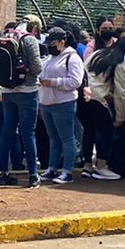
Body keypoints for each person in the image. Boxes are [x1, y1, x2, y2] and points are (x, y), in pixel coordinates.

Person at [0, 18, 43, 187]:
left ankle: (3, 173)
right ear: (34, 27)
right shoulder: (29, 39)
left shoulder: (5, 37)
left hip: (7, 90)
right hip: (27, 91)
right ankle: (33, 175)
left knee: (7, 131)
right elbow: (37, 68)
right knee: (28, 133)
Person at [38, 26, 86, 183]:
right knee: (53, 137)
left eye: (53, 43)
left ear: (62, 42)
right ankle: (52, 168)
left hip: (63, 103)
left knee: (67, 138)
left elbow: (75, 81)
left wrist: (52, 82)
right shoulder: (51, 58)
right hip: (47, 103)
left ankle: (67, 171)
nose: (50, 46)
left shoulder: (72, 58)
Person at [81, 28, 125, 179]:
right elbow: (120, 93)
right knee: (106, 132)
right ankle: (101, 167)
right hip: (99, 99)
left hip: (83, 96)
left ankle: (87, 165)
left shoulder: (97, 54)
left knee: (88, 131)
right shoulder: (120, 63)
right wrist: (120, 117)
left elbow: (83, 71)